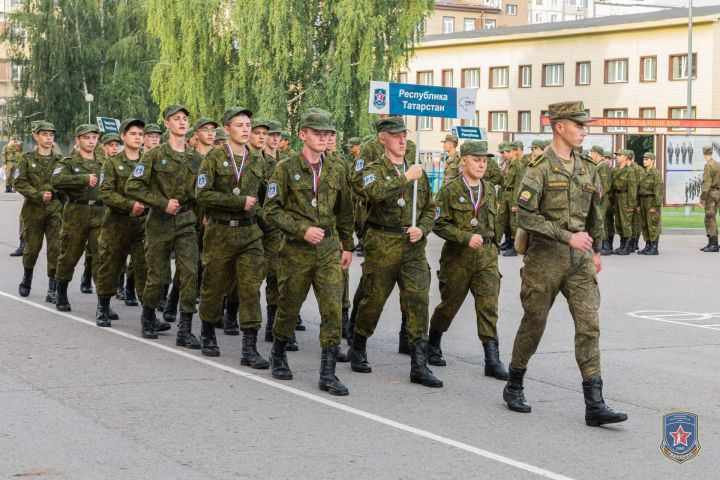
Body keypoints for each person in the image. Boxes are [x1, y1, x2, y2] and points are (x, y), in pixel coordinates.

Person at [503, 101, 627, 427]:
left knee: (589, 326)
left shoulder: (588, 167)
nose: (584, 130)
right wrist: (565, 236)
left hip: (580, 260)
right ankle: (514, 383)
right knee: (535, 322)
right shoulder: (539, 167)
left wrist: (596, 249)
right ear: (559, 126)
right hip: (544, 258)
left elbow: (594, 213)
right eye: (579, 124)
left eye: (585, 125)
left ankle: (595, 403)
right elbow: (526, 215)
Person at [264, 109, 354, 396]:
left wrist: (348, 245)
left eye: (328, 134)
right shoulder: (286, 168)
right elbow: (270, 209)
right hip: (296, 250)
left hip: (328, 249)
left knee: (332, 309)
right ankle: (278, 353)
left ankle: (328, 373)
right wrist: (301, 229)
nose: (324, 138)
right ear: (303, 134)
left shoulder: (337, 168)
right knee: (289, 306)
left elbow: (345, 211)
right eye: (318, 133)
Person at [348, 116, 442, 388]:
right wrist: (404, 178)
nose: (402, 140)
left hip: (412, 246)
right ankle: (358, 345)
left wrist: (422, 229)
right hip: (382, 241)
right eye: (395, 135)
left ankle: (419, 364)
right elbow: (372, 192)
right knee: (373, 299)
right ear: (382, 139)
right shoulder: (375, 169)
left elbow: (430, 208)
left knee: (418, 301)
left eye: (404, 135)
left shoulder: (417, 171)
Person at [428, 140, 508, 380]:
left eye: (485, 160)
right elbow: (437, 223)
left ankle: (492, 359)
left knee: (488, 307)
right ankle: (433, 342)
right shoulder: (450, 189)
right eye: (476, 160)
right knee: (449, 304)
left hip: (486, 257)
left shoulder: (490, 189)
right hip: (458, 257)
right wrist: (464, 237)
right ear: (463, 161)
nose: (482, 165)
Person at [196, 107, 268, 364]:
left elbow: (265, 199)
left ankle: (249, 348)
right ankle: (207, 333)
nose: (246, 129)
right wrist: (237, 202)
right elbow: (202, 194)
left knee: (250, 289)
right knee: (213, 285)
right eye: (240, 125)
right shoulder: (213, 158)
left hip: (250, 233)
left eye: (248, 124)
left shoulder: (259, 160)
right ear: (226, 130)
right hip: (219, 232)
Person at [126, 104, 202, 346]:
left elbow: (204, 191)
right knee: (158, 277)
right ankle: (148, 317)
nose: (181, 122)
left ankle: (185, 329)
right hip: (159, 222)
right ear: (166, 124)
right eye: (176, 119)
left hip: (186, 222)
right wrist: (161, 203)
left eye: (184, 119)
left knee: (190, 272)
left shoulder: (197, 158)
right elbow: (133, 186)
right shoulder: (153, 156)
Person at [94, 118, 160, 328]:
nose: (138, 138)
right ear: (123, 137)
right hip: (117, 222)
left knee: (145, 268)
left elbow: (157, 190)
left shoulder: (149, 161)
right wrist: (129, 205)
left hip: (143, 225)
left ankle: (148, 316)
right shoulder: (112, 162)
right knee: (110, 265)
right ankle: (103, 307)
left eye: (141, 134)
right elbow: (106, 192)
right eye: (133, 134)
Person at [51, 124, 106, 312]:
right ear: (78, 140)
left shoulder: (104, 162)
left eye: (94, 138)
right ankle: (61, 292)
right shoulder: (68, 162)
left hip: (100, 214)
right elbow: (56, 181)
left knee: (101, 256)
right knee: (69, 255)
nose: (91, 141)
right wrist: (83, 178)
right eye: (87, 138)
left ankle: (103, 303)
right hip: (76, 213)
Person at [14, 122, 63, 301]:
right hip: (33, 210)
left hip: (55, 211)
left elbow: (65, 183)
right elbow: (18, 182)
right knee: (32, 249)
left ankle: (53, 287)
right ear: (36, 136)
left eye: (51, 135)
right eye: (44, 134)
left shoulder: (60, 161)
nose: (48, 138)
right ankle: (27, 277)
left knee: (55, 248)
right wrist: (38, 194)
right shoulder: (27, 158)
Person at [610, 150, 637, 256]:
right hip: (616, 198)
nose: (617, 157)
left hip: (625, 198)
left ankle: (627, 246)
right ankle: (622, 244)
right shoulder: (616, 170)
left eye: (619, 155)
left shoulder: (630, 171)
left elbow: (632, 189)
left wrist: (631, 204)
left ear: (625, 157)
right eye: (616, 155)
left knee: (626, 222)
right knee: (619, 222)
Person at [636, 152, 663, 255]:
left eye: (647, 159)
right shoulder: (642, 173)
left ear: (652, 160)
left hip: (651, 200)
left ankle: (654, 247)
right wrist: (638, 204)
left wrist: (655, 206)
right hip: (642, 200)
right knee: (644, 224)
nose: (644, 161)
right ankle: (648, 245)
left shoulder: (655, 173)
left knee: (652, 224)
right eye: (644, 159)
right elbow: (639, 189)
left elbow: (658, 191)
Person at [700, 145, 720, 252]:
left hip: (711, 193)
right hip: (718, 192)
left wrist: (702, 198)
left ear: (704, 153)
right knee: (711, 217)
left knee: (709, 218)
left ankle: (714, 244)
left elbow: (706, 183)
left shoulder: (708, 165)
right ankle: (711, 243)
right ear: (711, 153)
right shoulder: (717, 164)